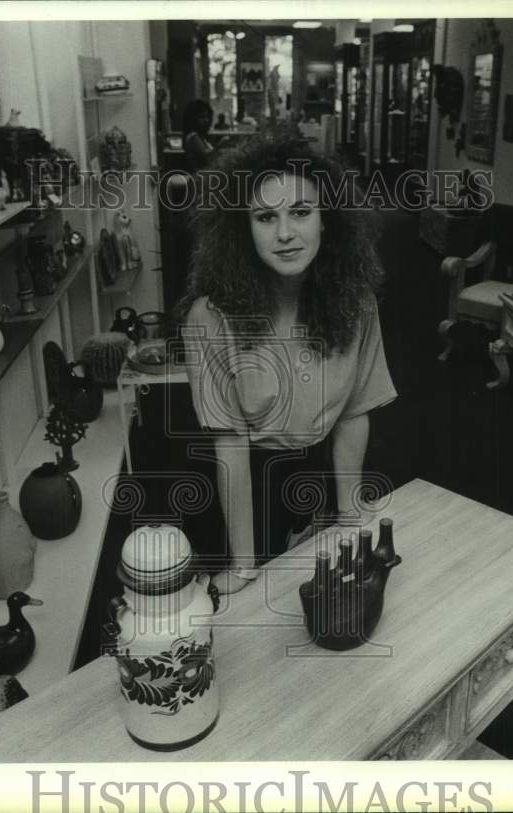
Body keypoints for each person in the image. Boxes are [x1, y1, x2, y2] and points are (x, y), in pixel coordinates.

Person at [180, 136, 396, 594]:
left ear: (327, 222)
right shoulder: (209, 318)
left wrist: (350, 514)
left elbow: (354, 413)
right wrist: (244, 564)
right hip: (248, 497)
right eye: (265, 217)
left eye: (301, 212)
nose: (284, 233)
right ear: (242, 228)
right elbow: (231, 447)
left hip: (328, 481)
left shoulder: (357, 306)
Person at [182, 99, 215, 170]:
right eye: (202, 117)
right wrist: (220, 146)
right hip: (200, 177)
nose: (206, 120)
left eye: (207, 117)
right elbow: (207, 160)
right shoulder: (194, 137)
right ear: (192, 119)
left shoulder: (199, 135)